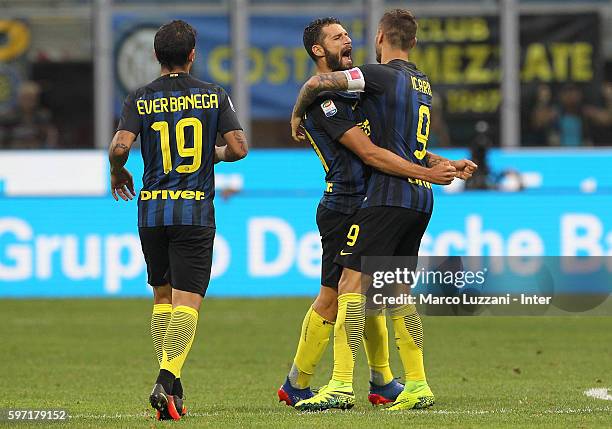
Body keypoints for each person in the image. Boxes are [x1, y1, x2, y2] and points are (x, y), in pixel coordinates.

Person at [290, 10, 477, 411]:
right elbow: (399, 144)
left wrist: (430, 166)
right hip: (390, 200)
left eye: (348, 35)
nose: (348, 41)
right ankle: (411, 383)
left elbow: (379, 152)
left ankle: (341, 385)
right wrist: (435, 167)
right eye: (338, 36)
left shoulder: (372, 78)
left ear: (380, 38)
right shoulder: (418, 84)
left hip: (385, 196)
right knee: (393, 293)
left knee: (349, 290)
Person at [109, 20, 247, 420]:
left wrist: (117, 172)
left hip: (151, 210)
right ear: (192, 55)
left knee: (162, 298)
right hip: (194, 211)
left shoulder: (140, 97)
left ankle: (175, 390)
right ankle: (166, 378)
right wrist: (211, 155)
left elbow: (121, 146)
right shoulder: (212, 95)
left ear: (155, 56)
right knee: (188, 302)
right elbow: (238, 148)